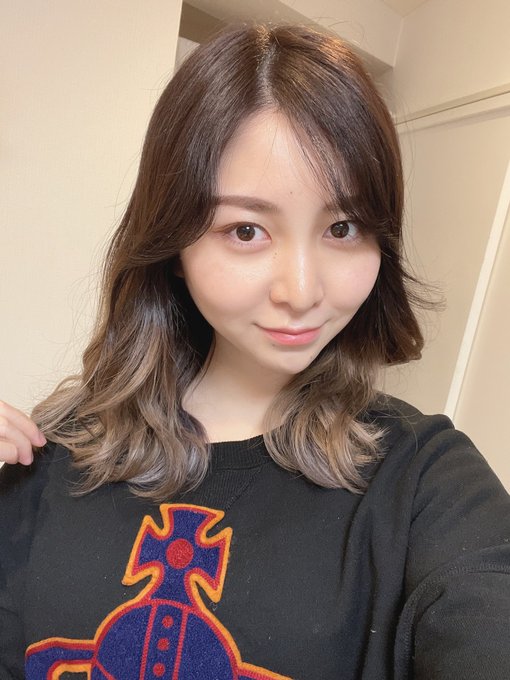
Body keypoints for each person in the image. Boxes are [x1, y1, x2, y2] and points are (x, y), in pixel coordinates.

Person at [1, 22, 509, 680]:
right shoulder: (47, 459)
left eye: (343, 227)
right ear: (174, 245)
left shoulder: (425, 482)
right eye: (245, 230)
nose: (301, 291)